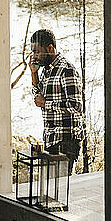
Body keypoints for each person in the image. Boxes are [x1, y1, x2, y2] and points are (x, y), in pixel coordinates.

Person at [28, 29, 83, 174]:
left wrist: (46, 104)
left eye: (37, 51)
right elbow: (39, 97)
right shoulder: (46, 69)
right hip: (51, 138)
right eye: (32, 52)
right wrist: (34, 74)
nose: (34, 56)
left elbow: (76, 106)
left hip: (66, 141)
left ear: (50, 48)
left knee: (60, 190)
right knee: (50, 190)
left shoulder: (66, 70)